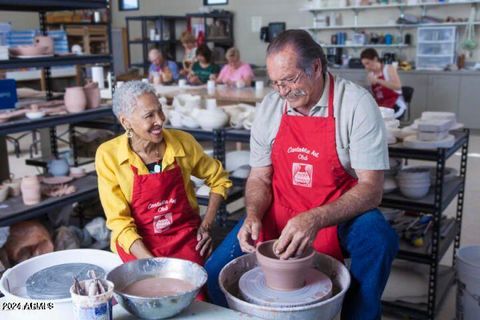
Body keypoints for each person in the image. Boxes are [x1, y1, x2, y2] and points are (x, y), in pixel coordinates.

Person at [205, 30, 398, 319]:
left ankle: (360, 313)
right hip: (280, 209)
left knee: (378, 237)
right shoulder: (271, 107)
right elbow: (259, 177)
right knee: (213, 277)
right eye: (276, 83)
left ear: (317, 67)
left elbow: (372, 188)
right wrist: (254, 214)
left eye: (290, 80)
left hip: (334, 214)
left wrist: (315, 218)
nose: (283, 92)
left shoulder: (356, 104)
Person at [96, 81, 232, 299]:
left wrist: (206, 225)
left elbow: (219, 179)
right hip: (139, 243)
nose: (160, 120)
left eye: (160, 110)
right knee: (147, 298)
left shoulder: (182, 143)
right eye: (149, 115)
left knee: (196, 299)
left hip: (184, 237)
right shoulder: (109, 155)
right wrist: (154, 267)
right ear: (126, 122)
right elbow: (119, 223)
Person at [360, 48, 407, 118]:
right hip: (382, 107)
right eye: (364, 65)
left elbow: (398, 86)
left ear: (375, 59)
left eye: (368, 63)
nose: (366, 67)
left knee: (386, 124)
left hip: (396, 106)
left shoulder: (388, 68)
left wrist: (378, 81)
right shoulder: (370, 75)